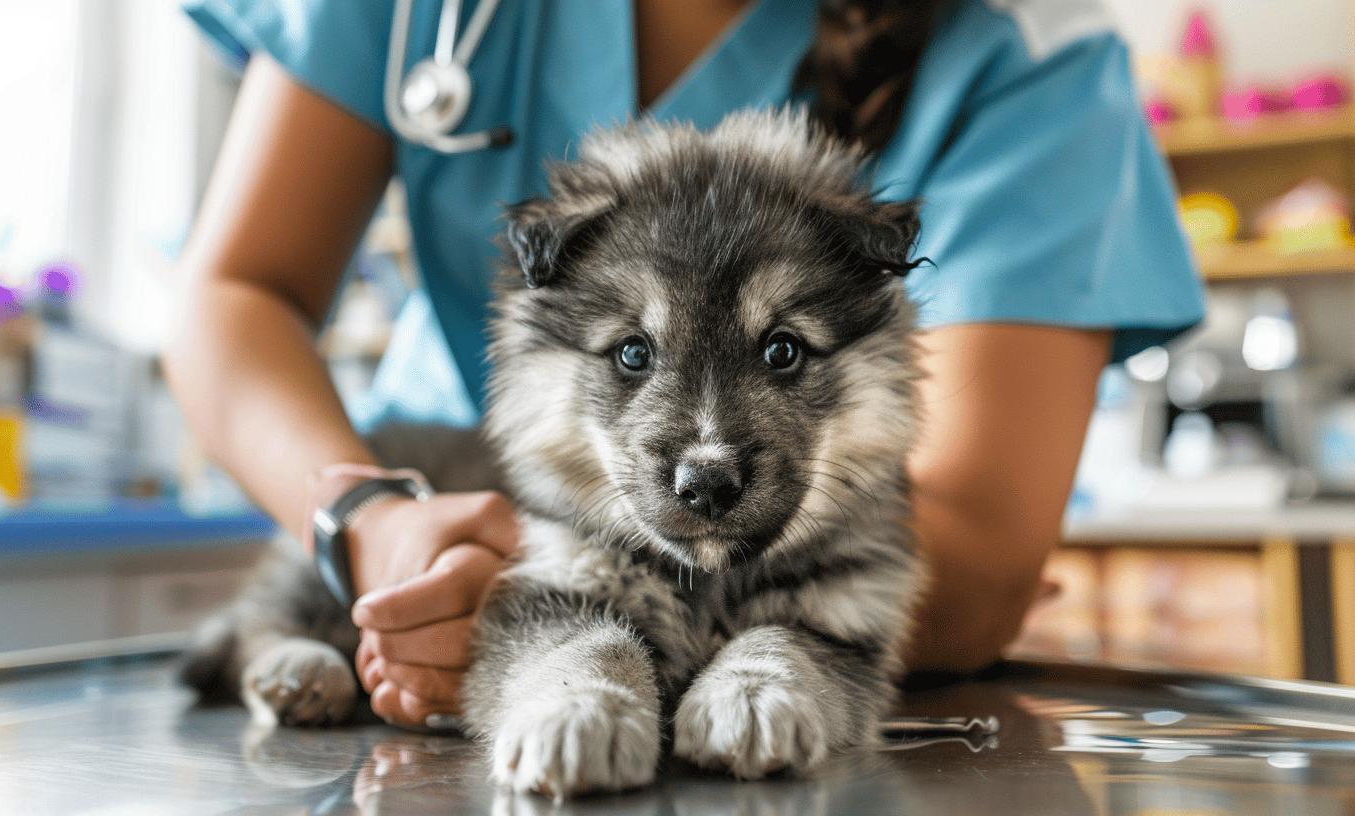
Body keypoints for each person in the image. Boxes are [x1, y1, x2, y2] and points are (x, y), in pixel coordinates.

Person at [167, 0, 1204, 728]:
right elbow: (234, 296)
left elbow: (969, 564)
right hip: (451, 491)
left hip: (764, 604)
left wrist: (592, 612)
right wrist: (368, 520)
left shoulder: (1029, 48)